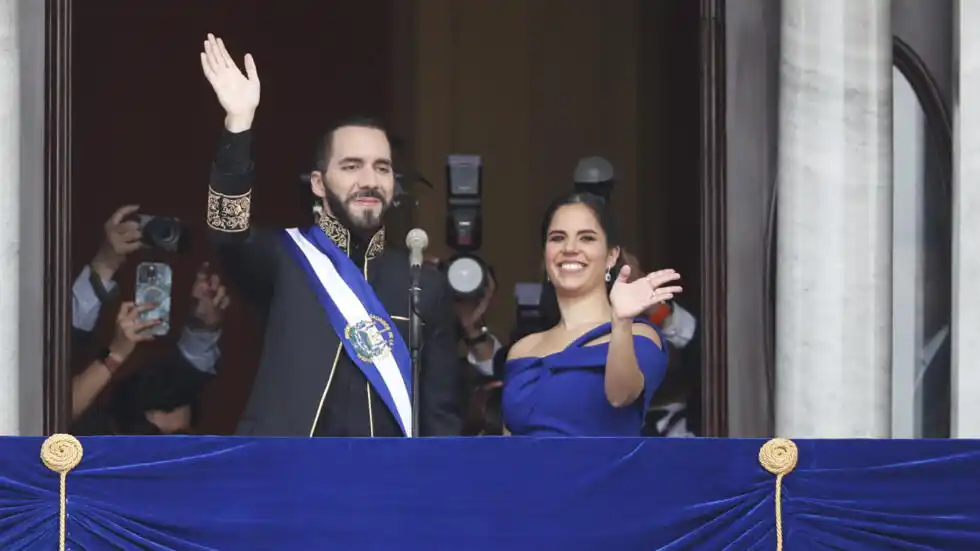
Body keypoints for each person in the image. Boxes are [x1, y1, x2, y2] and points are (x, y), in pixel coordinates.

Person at [199, 34, 460, 437]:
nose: (370, 180)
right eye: (352, 166)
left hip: (387, 490)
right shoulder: (285, 259)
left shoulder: (423, 284)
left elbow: (441, 418)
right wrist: (238, 124)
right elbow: (226, 231)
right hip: (290, 483)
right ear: (319, 184)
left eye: (383, 167)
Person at [502, 193, 682, 436]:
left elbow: (622, 396)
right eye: (557, 238)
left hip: (599, 474)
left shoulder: (640, 334)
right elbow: (506, 445)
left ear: (611, 256)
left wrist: (620, 321)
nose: (570, 249)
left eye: (586, 238)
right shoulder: (522, 350)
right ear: (545, 255)